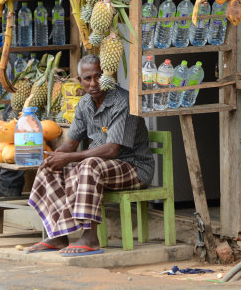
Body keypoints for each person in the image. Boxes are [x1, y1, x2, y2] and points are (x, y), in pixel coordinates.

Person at [26, 54, 154, 256]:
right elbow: (71, 143)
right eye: (87, 78)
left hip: (134, 168)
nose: (93, 83)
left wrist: (68, 158)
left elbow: (112, 150)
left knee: (89, 164)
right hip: (104, 167)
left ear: (108, 77)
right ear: (80, 81)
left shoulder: (123, 101)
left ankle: (90, 237)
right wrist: (56, 157)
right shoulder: (85, 103)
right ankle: (58, 234)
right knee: (50, 169)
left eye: (98, 76)